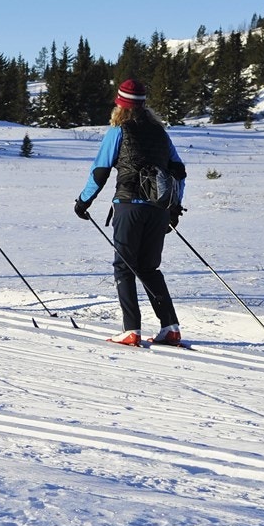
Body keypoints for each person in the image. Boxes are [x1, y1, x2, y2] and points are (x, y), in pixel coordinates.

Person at [73, 78, 186, 346]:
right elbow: (179, 171)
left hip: (129, 207)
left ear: (119, 106)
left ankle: (131, 329)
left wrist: (84, 200)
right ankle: (170, 328)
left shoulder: (118, 130)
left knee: (124, 267)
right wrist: (174, 208)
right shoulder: (161, 133)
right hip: (158, 209)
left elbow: (101, 170)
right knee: (149, 268)